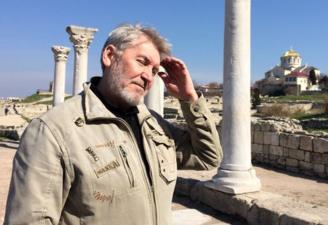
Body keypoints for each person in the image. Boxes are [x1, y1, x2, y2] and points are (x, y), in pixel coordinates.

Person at [4, 24, 222, 225]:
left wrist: (190, 99)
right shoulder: (53, 131)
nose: (148, 76)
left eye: (155, 71)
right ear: (109, 56)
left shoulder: (153, 124)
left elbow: (208, 157)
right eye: (142, 61)